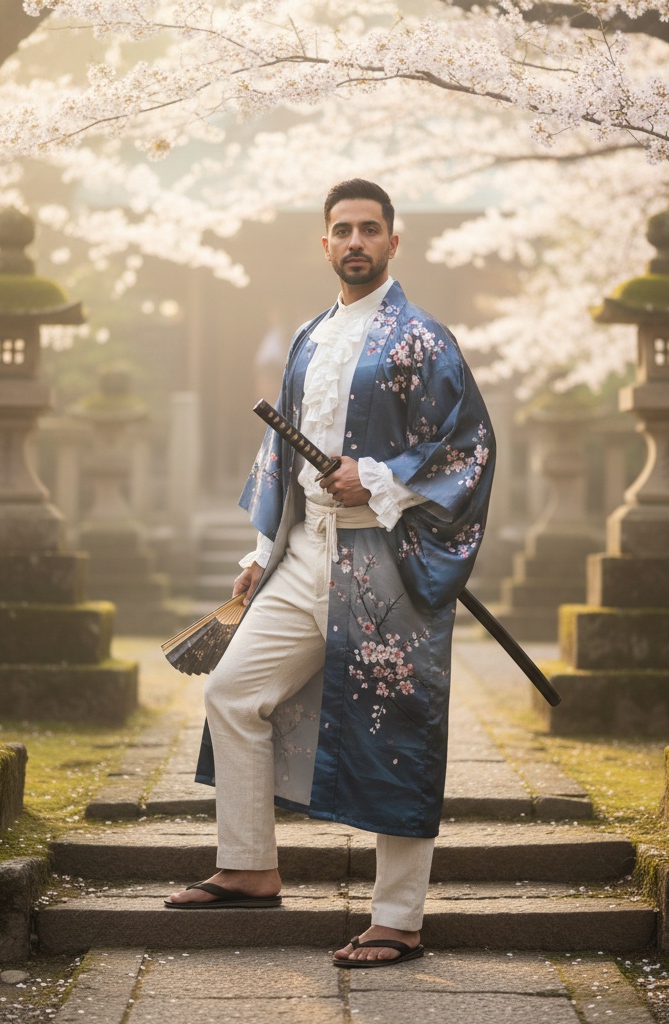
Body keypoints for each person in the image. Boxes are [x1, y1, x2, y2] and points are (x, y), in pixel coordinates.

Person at [165, 179, 495, 967]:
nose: (355, 241)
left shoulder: (424, 340)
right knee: (232, 691)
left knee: (396, 731)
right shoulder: (309, 339)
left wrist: (378, 479)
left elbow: (467, 448)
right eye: (342, 229)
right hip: (304, 550)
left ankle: (398, 920)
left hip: (385, 561)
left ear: (392, 242)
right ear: (324, 244)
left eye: (369, 230)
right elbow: (278, 453)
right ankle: (249, 865)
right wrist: (256, 555)